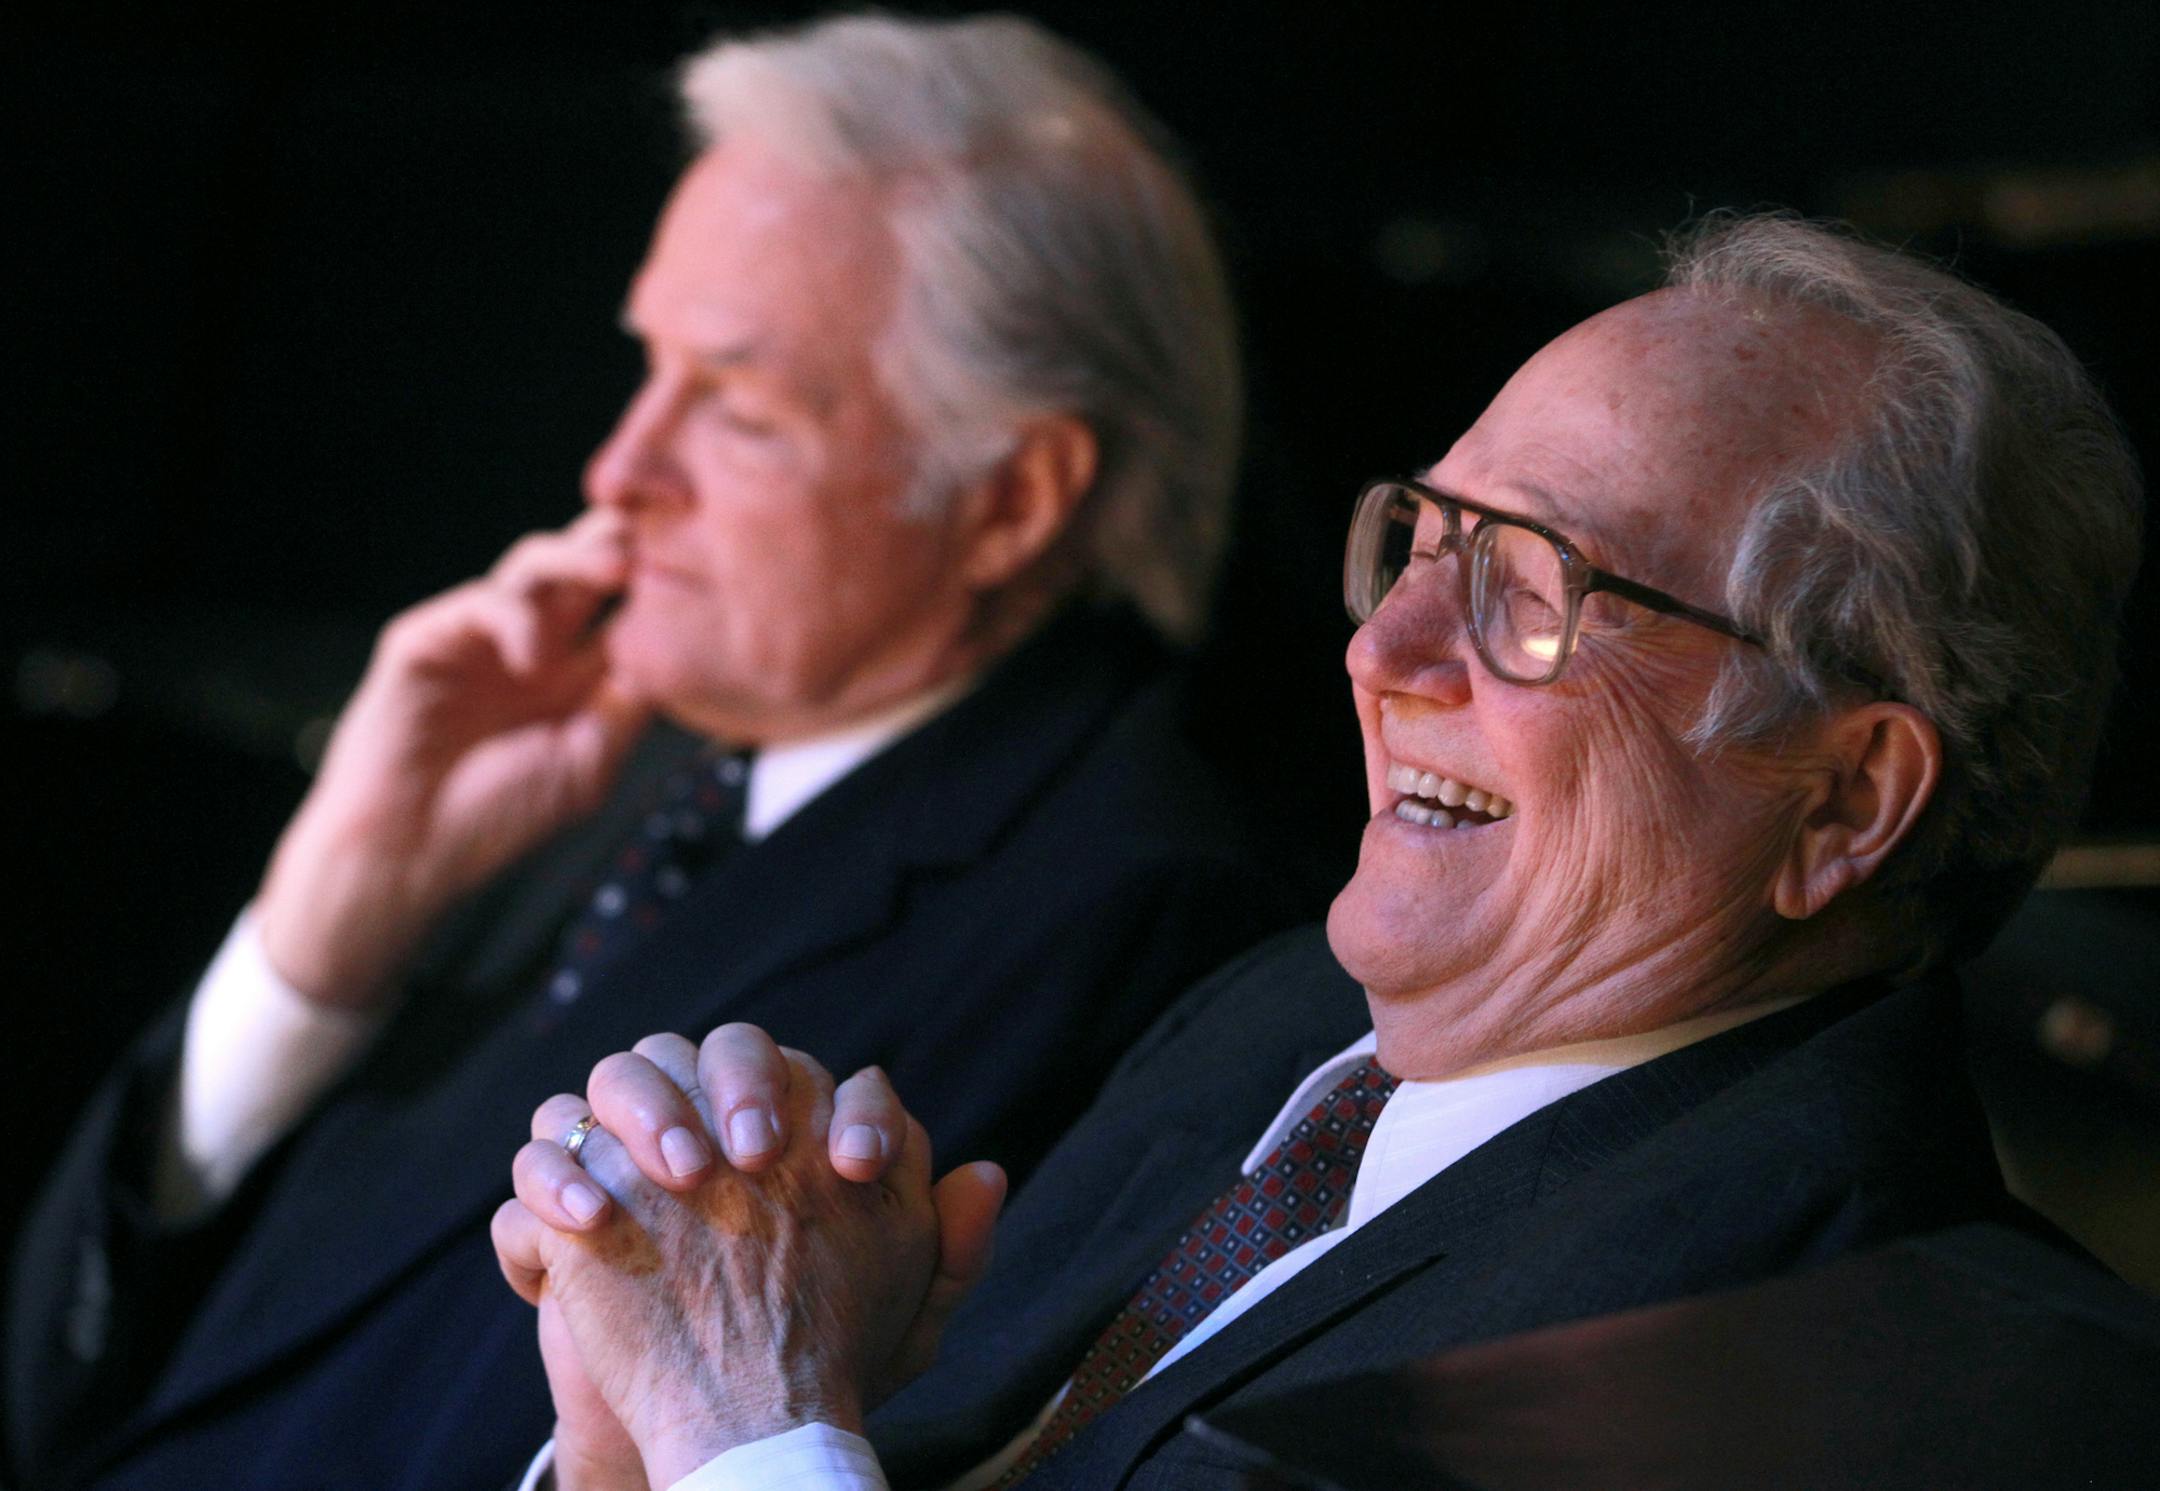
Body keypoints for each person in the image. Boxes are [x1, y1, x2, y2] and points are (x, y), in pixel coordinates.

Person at [492, 211, 2144, 1490]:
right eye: (1423, 539)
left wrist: (745, 1418)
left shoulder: (1846, 1358)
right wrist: (640, 1401)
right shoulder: (1279, 1026)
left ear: (1846, 800)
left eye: (1539, 589)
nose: (1387, 649)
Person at [4, 16, 1304, 1491]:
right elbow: (61, 1386)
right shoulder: (605, 763)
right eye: (651, 368)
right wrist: (316, 938)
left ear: (1013, 501)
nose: (619, 471)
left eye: (738, 411)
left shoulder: (1131, 919)